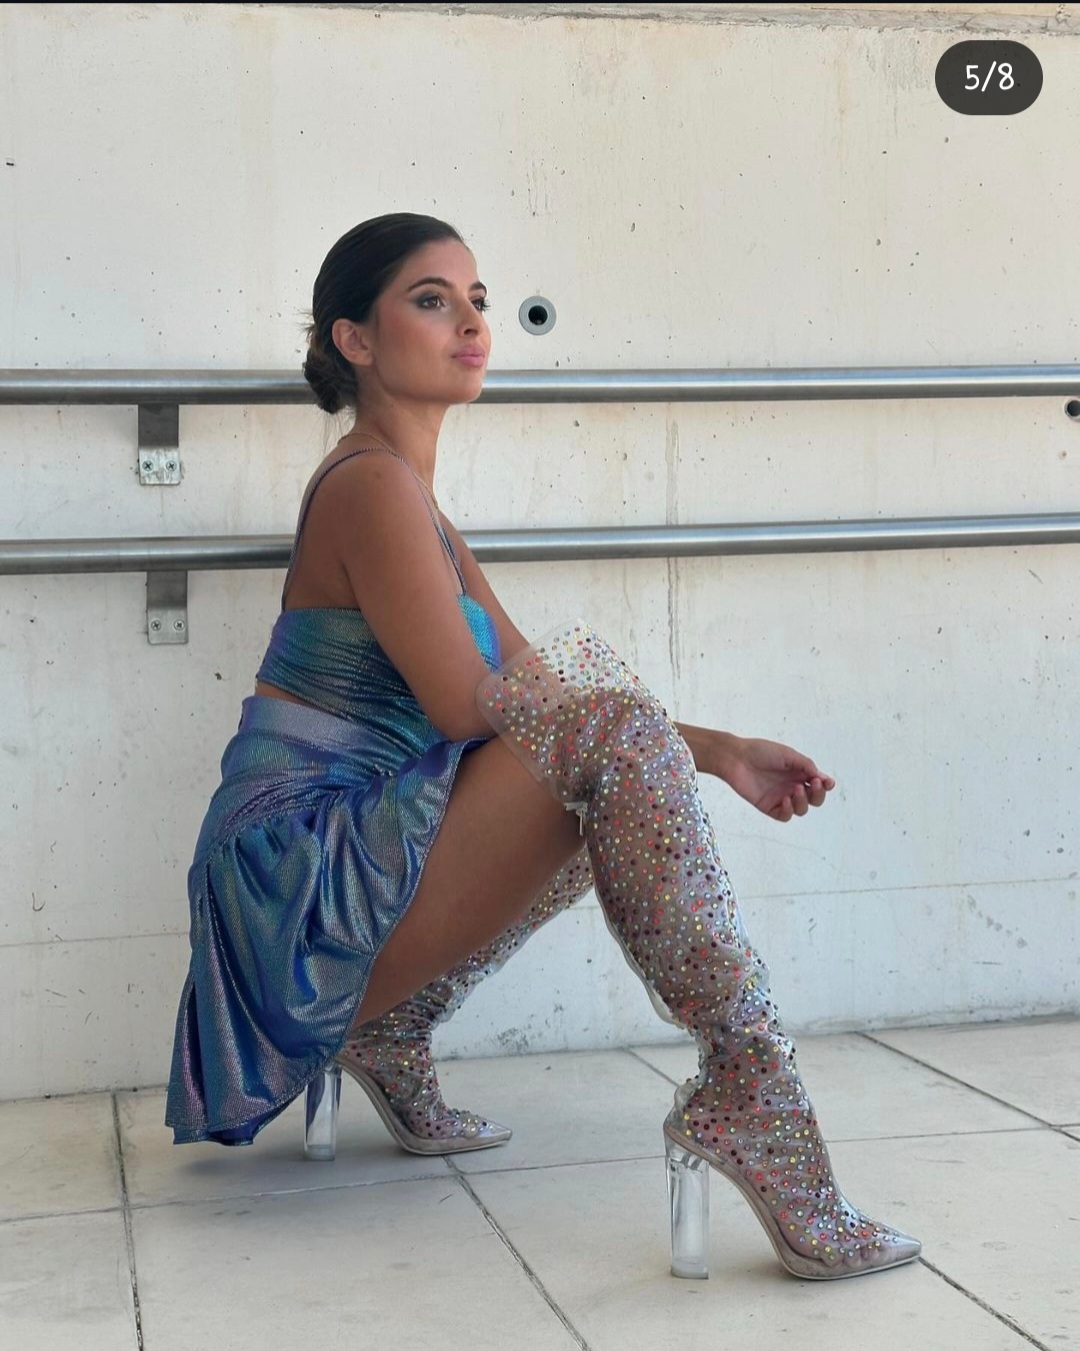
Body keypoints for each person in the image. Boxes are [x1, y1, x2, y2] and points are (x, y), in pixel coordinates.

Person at [166, 212, 920, 1281]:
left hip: (337, 859)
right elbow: (471, 706)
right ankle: (750, 1087)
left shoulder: (412, 497)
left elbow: (541, 695)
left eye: (477, 299)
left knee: (599, 745)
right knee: (599, 742)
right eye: (433, 300)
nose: (472, 321)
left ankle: (391, 1029)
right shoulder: (369, 486)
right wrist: (646, 742)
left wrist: (716, 750)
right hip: (293, 882)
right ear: (356, 340)